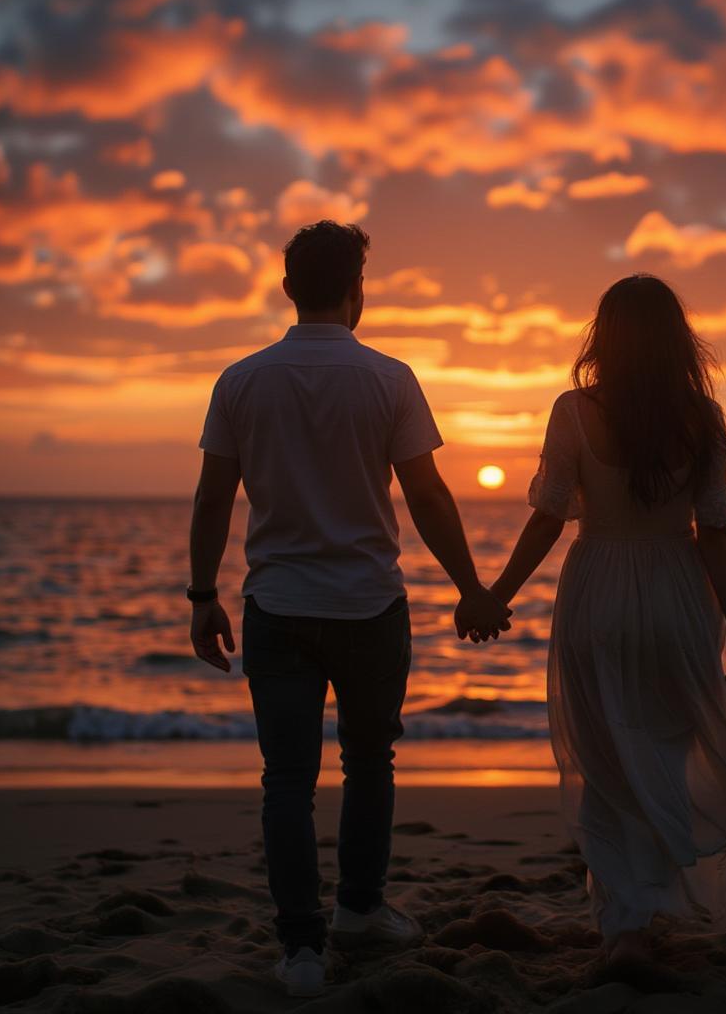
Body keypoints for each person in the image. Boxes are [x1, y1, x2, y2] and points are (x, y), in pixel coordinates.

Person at [187, 220, 511, 998]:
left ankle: (301, 950)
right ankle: (360, 911)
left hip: (277, 605)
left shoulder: (241, 379)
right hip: (369, 606)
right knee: (369, 762)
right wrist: (471, 588)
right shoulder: (389, 377)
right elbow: (427, 495)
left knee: (286, 782)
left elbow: (212, 498)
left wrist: (202, 596)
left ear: (291, 289)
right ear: (356, 289)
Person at [489, 273, 726, 968]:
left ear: (605, 337)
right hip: (678, 595)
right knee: (664, 749)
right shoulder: (701, 419)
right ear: (676, 340)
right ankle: (653, 905)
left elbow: (548, 518)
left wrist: (496, 592)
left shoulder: (573, 410)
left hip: (597, 591)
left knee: (605, 759)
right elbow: (714, 530)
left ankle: (625, 920)